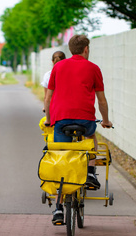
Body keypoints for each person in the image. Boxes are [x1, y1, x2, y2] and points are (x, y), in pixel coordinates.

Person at [44, 34, 113, 225]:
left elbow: (48, 98)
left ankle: (58, 208)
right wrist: (106, 120)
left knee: (62, 159)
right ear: (86, 49)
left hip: (61, 120)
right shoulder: (94, 68)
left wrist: (50, 120)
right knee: (91, 137)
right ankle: (91, 173)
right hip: (85, 120)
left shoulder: (58, 67)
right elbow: (102, 100)